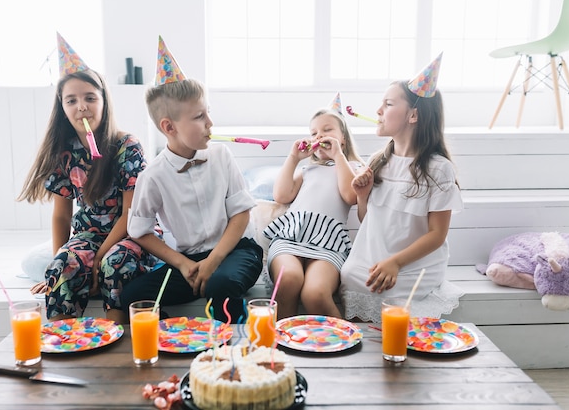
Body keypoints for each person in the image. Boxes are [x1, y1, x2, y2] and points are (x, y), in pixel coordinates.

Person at [113, 36, 263, 322]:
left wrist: (214, 262)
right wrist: (182, 264)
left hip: (236, 251)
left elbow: (241, 215)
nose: (210, 123)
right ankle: (179, 336)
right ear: (169, 127)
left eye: (208, 112)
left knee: (221, 284)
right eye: (199, 116)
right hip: (190, 262)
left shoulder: (222, 156)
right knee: (133, 296)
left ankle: (231, 344)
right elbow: (139, 229)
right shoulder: (153, 176)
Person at [17, 33, 149, 321]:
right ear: (63, 109)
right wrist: (60, 265)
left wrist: (98, 258)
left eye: (90, 98)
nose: (82, 107)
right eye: (71, 100)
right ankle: (64, 344)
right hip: (88, 234)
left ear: (104, 102)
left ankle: (115, 341)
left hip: (131, 231)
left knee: (114, 265)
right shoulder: (64, 153)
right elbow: (61, 216)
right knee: (61, 267)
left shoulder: (127, 146)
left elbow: (132, 212)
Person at [340, 53, 465, 323]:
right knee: (350, 275)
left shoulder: (438, 169)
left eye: (387, 104)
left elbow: (437, 235)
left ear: (413, 115)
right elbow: (369, 221)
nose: (378, 112)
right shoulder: (379, 162)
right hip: (376, 257)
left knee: (388, 290)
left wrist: (396, 262)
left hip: (413, 264)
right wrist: (363, 197)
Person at [263, 93, 363, 319]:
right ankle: (285, 344)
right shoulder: (307, 169)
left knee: (315, 294)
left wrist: (338, 156)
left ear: (343, 138)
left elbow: (350, 195)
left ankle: (341, 344)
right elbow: (281, 195)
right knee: (288, 279)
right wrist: (293, 158)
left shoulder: (353, 167)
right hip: (291, 236)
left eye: (327, 130)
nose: (319, 136)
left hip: (328, 243)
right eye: (314, 133)